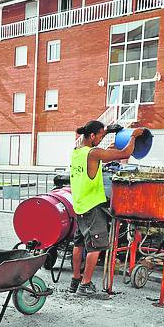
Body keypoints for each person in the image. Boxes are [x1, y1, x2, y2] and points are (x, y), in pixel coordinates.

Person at [69, 121, 143, 295]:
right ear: (93, 136)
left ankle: (76, 279)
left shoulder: (76, 151)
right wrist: (134, 135)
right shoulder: (94, 154)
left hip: (79, 205)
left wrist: (108, 131)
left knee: (79, 243)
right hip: (93, 206)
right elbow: (125, 153)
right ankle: (85, 285)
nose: (102, 138)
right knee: (95, 246)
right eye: (100, 135)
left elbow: (94, 143)